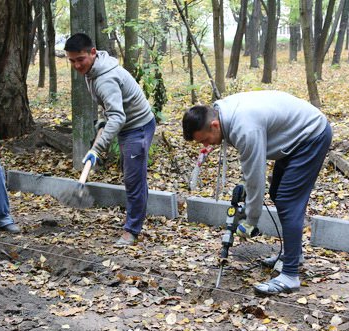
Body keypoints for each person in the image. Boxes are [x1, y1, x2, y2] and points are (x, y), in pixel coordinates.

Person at [182, 90, 332, 295]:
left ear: (214, 125)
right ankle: (293, 255)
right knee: (278, 192)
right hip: (294, 136)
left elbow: (255, 177)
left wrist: (251, 220)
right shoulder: (222, 113)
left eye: (205, 140)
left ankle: (290, 275)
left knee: (289, 202)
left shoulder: (244, 128)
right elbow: (251, 168)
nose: (206, 146)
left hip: (310, 135)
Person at [64, 33, 156, 247]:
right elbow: (111, 110)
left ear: (93, 52)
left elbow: (118, 116)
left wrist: (97, 149)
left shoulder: (105, 78)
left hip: (137, 126)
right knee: (133, 175)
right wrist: (102, 125)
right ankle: (137, 215)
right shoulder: (94, 69)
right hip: (127, 124)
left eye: (80, 59)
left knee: (133, 179)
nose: (76, 65)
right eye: (72, 61)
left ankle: (132, 231)